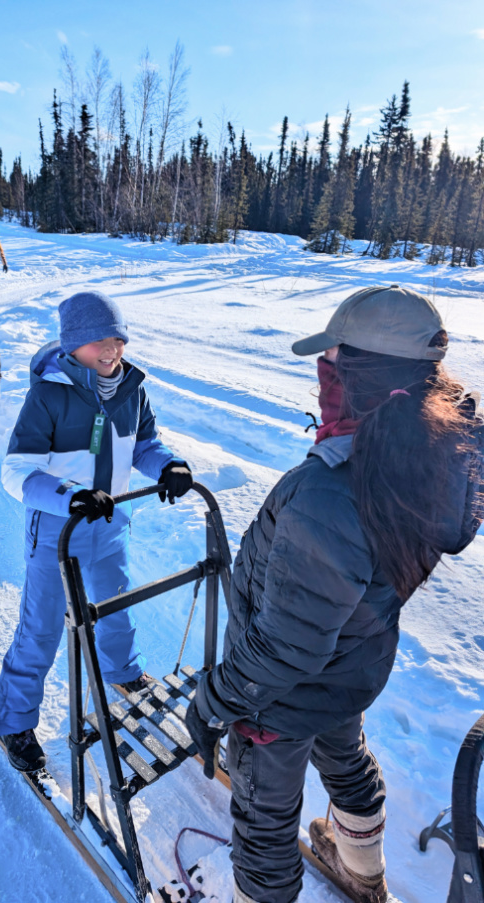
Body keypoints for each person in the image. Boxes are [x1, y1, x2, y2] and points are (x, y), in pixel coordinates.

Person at [185, 285, 484, 903]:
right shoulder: (426, 454)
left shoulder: (329, 494)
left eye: (332, 365)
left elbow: (282, 649)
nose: (322, 381)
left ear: (356, 379)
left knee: (265, 817)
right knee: (346, 760)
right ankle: (362, 868)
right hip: (351, 668)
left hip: (278, 700)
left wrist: (213, 699)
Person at [0, 290, 194, 772]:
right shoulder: (49, 393)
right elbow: (16, 471)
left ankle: (123, 675)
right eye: (98, 341)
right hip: (57, 533)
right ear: (73, 345)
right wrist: (69, 495)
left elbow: (144, 444)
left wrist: (168, 465)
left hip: (110, 526)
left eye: (118, 338)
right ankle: (15, 724)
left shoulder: (131, 388)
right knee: (41, 628)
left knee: (115, 607)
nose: (111, 350)